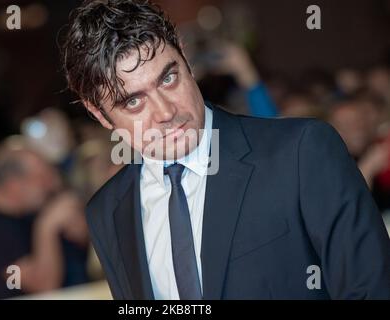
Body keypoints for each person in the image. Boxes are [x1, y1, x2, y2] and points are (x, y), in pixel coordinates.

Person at [61, 0, 390, 299]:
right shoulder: (107, 210)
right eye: (133, 101)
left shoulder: (301, 152)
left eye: (168, 78)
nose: (165, 112)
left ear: (187, 61)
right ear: (98, 114)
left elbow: (371, 289)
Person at [0, 140, 89, 299]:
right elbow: (43, 287)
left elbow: (81, 242)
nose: (49, 184)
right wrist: (47, 226)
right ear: (14, 185)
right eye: (41, 177)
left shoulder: (27, 213)